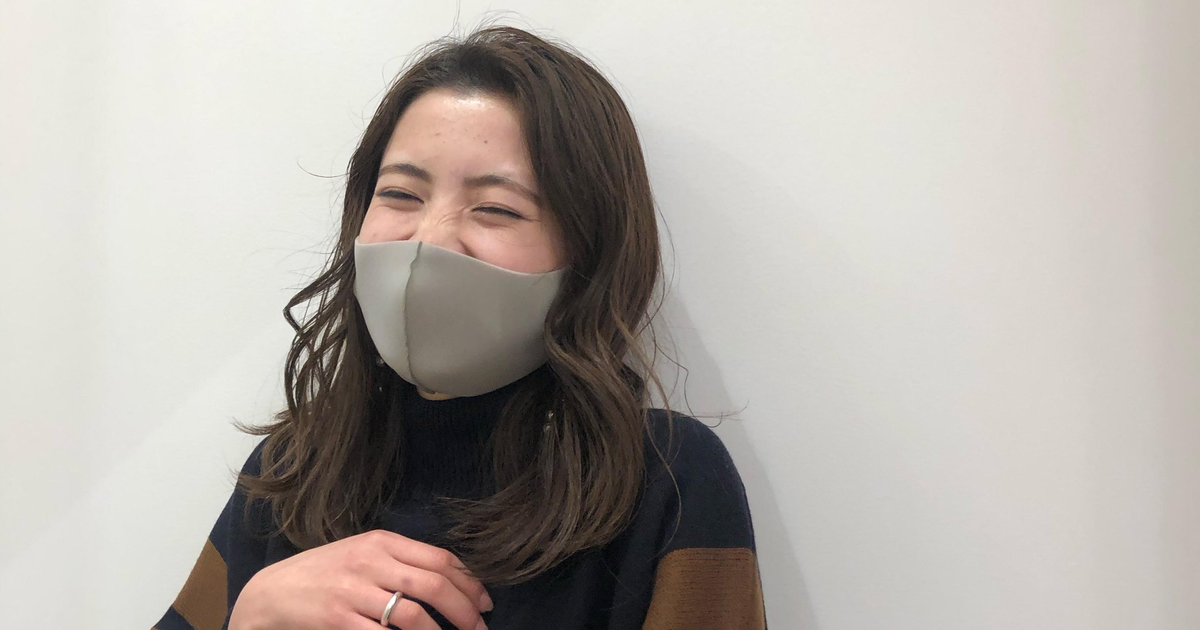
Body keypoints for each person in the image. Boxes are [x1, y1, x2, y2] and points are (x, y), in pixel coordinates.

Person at [152, 24, 766, 630]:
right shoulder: (294, 468)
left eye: (496, 208)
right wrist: (251, 615)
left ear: (588, 257)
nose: (429, 241)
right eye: (400, 195)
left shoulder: (665, 481)